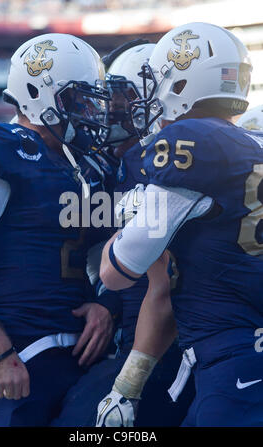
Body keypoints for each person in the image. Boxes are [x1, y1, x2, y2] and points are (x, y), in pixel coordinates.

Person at [97, 22, 263, 427]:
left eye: (155, 81)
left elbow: (119, 270)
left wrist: (129, 216)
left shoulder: (189, 141)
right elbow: (164, 292)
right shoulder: (252, 141)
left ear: (179, 84)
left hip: (234, 358)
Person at [0, 32, 121, 427]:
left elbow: (118, 255)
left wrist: (107, 305)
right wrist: (0, 353)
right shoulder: (4, 150)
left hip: (76, 357)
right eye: (78, 98)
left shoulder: (88, 169)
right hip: (15, 357)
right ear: (40, 94)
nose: (90, 109)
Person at [51, 40, 194, 427]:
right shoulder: (119, 161)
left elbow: (161, 278)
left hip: (167, 344)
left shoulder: (165, 160)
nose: (108, 110)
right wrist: (108, 303)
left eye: (121, 100)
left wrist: (128, 382)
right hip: (137, 332)